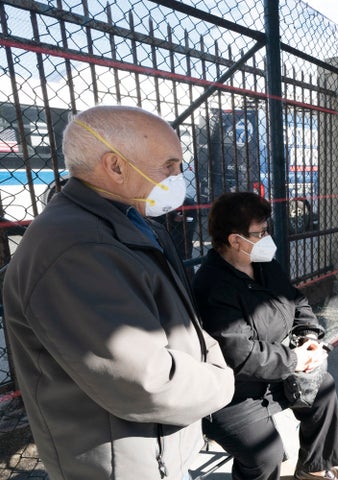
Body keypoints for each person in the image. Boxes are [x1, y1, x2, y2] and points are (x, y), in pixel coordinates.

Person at [2, 105, 235, 479]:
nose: (179, 177)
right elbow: (145, 381)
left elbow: (180, 322)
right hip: (123, 464)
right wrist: (222, 381)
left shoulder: (130, 222)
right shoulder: (76, 249)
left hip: (153, 449)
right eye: (169, 165)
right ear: (115, 166)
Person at [192, 192, 338, 480]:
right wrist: (294, 360)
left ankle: (313, 470)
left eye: (267, 229)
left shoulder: (264, 264)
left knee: (322, 390)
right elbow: (239, 353)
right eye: (260, 232)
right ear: (234, 240)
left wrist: (307, 336)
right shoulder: (212, 285)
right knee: (266, 454)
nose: (267, 237)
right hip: (234, 392)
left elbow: (296, 300)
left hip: (276, 374)